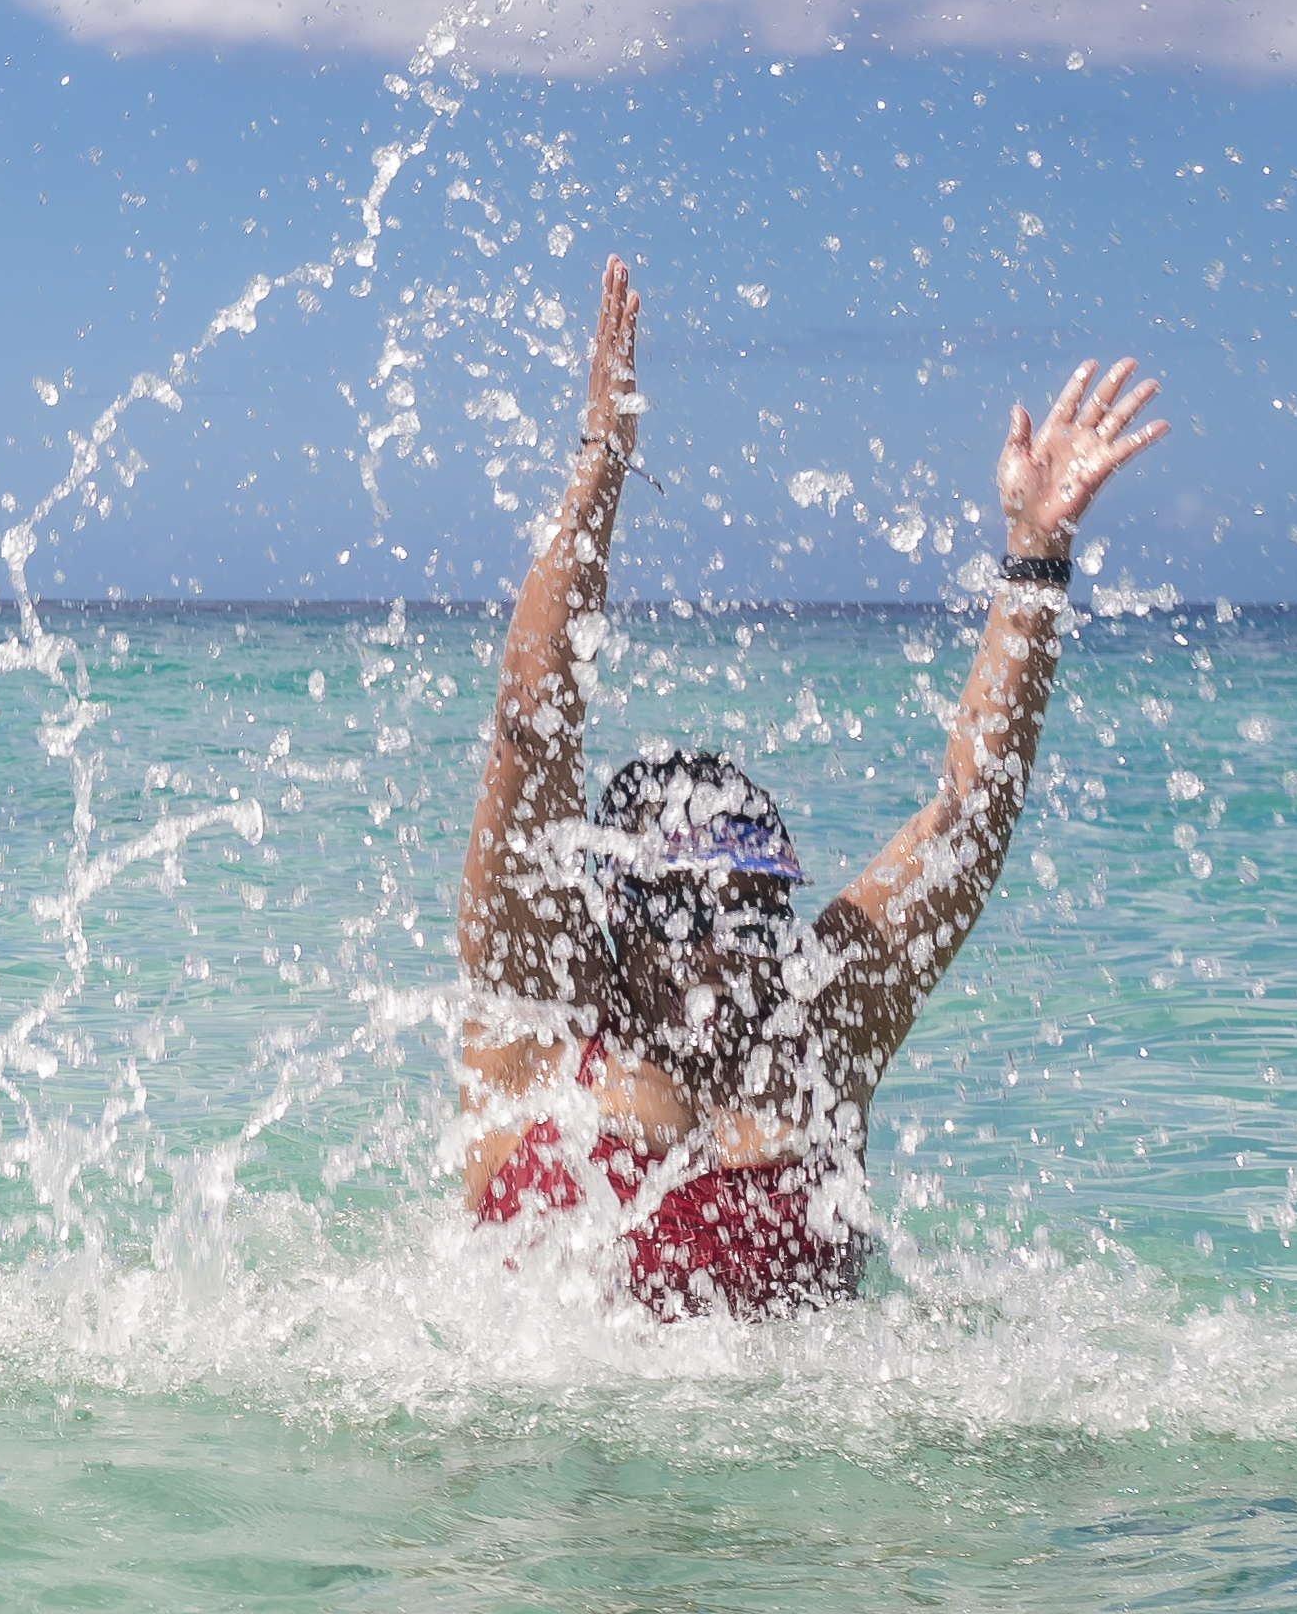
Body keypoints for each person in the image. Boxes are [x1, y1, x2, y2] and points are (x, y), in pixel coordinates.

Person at [455, 255, 1168, 1315]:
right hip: (549, 1474)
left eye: (758, 908)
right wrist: (601, 466)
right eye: (693, 904)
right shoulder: (541, 1010)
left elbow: (969, 818)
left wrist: (1033, 560)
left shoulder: (818, 1025)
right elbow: (528, 727)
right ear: (617, 905)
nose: (729, 946)